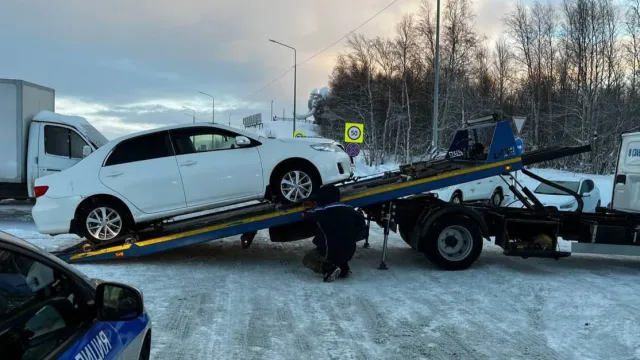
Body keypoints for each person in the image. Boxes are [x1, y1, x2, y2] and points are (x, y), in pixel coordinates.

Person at [301, 184, 366, 282]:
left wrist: (307, 208)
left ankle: (329, 269)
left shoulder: (321, 211)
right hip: (349, 251)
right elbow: (361, 221)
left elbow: (305, 215)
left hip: (330, 252)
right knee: (339, 242)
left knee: (308, 259)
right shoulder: (349, 208)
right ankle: (343, 268)